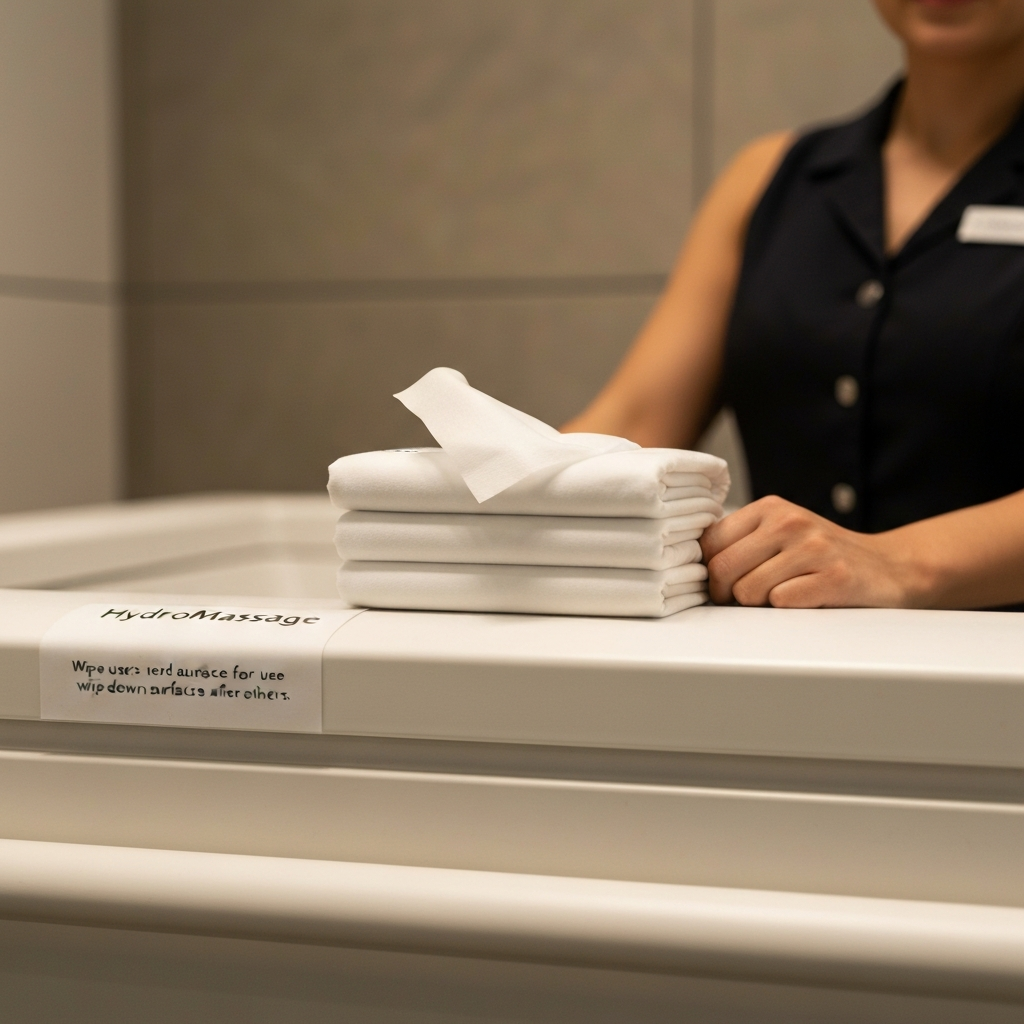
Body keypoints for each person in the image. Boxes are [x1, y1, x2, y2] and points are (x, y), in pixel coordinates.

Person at [563, 0, 1024, 610]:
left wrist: (894, 563)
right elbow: (635, 422)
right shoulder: (768, 178)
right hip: (785, 669)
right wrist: (474, 501)